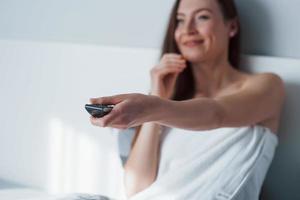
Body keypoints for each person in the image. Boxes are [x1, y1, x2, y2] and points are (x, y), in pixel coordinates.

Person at [89, 0, 285, 199]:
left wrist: (152, 108)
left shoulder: (267, 85)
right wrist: (157, 95)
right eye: (180, 21)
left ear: (231, 26)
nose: (188, 29)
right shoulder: (168, 104)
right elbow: (136, 188)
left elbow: (217, 113)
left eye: (202, 17)